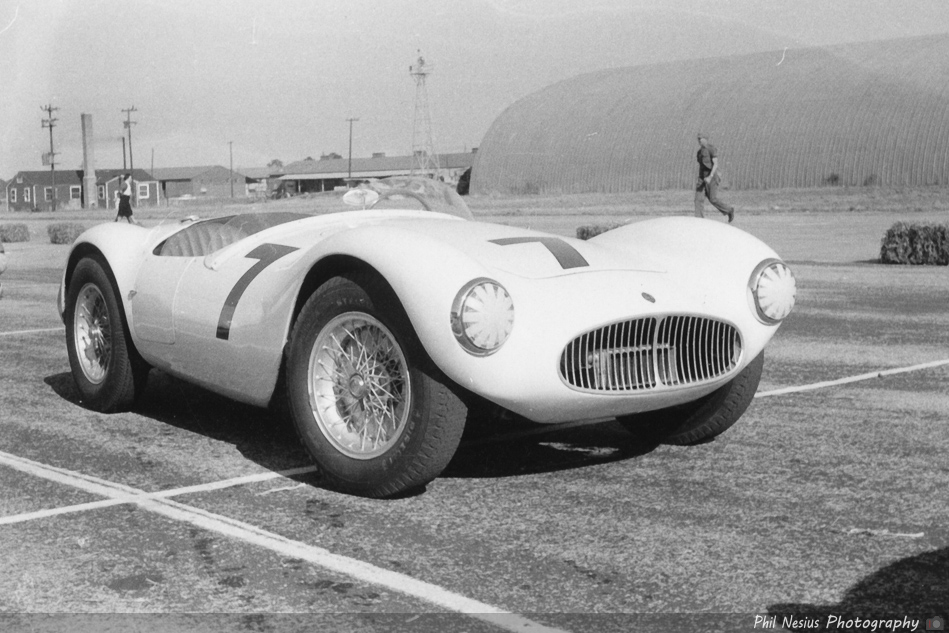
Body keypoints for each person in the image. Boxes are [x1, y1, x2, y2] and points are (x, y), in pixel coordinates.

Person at [694, 133, 735, 223]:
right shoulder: (699, 152)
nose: (699, 140)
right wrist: (700, 179)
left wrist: (710, 177)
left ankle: (729, 210)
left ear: (706, 139)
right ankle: (699, 220)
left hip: (712, 176)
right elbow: (701, 166)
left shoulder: (711, 149)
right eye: (698, 139)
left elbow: (715, 164)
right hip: (703, 177)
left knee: (712, 199)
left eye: (701, 138)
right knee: (698, 199)